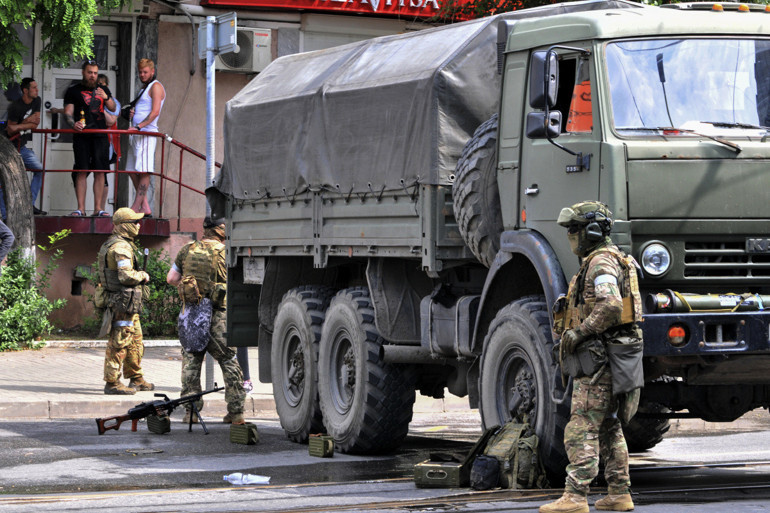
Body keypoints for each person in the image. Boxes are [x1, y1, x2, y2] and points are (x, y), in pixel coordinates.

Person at [541, 201, 643, 513]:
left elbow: (611, 305)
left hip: (598, 359)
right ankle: (619, 492)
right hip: (611, 356)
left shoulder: (600, 262)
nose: (570, 235)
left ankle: (574, 496)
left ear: (594, 231)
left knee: (581, 426)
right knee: (609, 425)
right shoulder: (612, 258)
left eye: (575, 229)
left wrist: (580, 332)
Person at [166, 216, 246, 425]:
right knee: (228, 360)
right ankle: (236, 413)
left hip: (193, 314)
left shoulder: (187, 250)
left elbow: (171, 279)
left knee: (191, 361)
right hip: (220, 315)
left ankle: (191, 413)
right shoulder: (227, 252)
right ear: (221, 229)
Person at [96, 207, 154, 395]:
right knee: (119, 342)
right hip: (121, 303)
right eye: (135, 222)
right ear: (123, 225)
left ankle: (136, 378)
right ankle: (112, 382)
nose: (138, 225)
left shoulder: (114, 243)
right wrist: (142, 275)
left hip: (128, 304)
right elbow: (125, 276)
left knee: (135, 341)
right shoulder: (121, 248)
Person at [63, 60, 116, 217]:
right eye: (89, 72)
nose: (92, 76)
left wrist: (106, 97)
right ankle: (81, 209)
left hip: (100, 135)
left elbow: (113, 108)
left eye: (95, 73)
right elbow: (67, 113)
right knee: (81, 170)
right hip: (82, 136)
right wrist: (73, 124)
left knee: (100, 172)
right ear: (83, 73)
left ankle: (98, 209)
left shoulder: (102, 89)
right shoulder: (73, 90)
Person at [127, 58, 165, 217]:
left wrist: (139, 126)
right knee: (130, 169)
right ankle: (145, 206)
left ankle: (136, 207)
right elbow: (144, 108)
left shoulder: (156, 86)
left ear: (152, 71)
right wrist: (133, 114)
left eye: (145, 72)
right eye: (140, 72)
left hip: (146, 133)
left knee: (144, 171)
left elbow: (155, 112)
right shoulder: (144, 88)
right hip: (136, 134)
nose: (142, 75)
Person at [4, 77, 46, 216]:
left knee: (40, 170)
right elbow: (10, 130)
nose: (37, 90)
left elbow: (35, 124)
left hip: (22, 147)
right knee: (5, 178)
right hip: (9, 148)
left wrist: (21, 125)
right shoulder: (15, 107)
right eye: (34, 88)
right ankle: (4, 214)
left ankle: (29, 204)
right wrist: (27, 121)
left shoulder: (37, 100)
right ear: (25, 90)